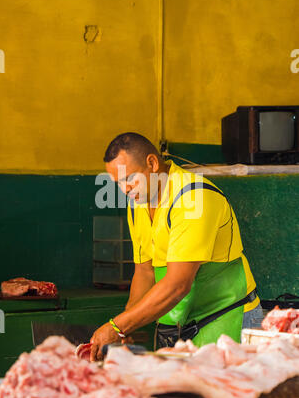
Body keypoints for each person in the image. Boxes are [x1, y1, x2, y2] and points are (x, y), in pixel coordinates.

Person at [90, 132, 263, 361]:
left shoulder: (193, 198)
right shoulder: (139, 203)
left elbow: (178, 284)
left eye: (129, 178)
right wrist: (127, 325)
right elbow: (145, 271)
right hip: (181, 326)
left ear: (151, 163)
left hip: (226, 320)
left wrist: (116, 327)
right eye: (118, 183)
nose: (125, 189)